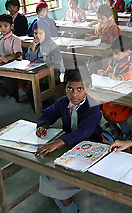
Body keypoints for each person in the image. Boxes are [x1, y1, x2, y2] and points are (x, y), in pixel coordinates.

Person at [36, 67, 102, 213]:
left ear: (89, 88)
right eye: (70, 89)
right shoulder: (62, 102)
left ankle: (71, 210)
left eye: (80, 89)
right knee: (48, 170)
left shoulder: (93, 106)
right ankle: (61, 198)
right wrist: (42, 125)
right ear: (65, 87)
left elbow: (84, 131)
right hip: (69, 144)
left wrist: (58, 142)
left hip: (91, 146)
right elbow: (48, 114)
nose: (74, 94)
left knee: (55, 179)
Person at [99, 35, 132, 140]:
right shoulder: (116, 60)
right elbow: (111, 68)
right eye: (113, 53)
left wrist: (119, 77)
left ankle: (126, 132)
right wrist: (105, 72)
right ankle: (114, 129)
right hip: (113, 91)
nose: (114, 56)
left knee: (119, 115)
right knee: (106, 111)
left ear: (127, 52)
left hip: (127, 93)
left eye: (117, 53)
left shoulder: (131, 63)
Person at [22, 18, 64, 106]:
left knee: (42, 91)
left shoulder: (52, 45)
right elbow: (30, 58)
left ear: (46, 33)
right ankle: (39, 109)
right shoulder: (35, 44)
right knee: (30, 91)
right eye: (35, 33)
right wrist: (33, 47)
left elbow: (55, 60)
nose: (37, 36)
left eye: (41, 33)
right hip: (37, 72)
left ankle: (47, 107)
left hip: (51, 73)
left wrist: (40, 61)